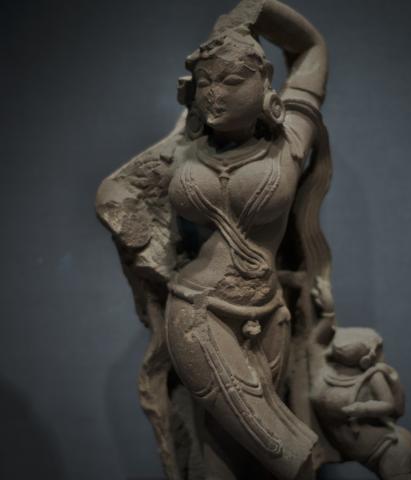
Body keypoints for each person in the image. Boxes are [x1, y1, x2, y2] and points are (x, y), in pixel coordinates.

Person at [97, 1, 334, 478]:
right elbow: (115, 192)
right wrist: (142, 241)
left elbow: (312, 49)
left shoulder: (291, 140)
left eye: (229, 80)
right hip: (197, 312)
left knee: (225, 455)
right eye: (204, 82)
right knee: (287, 452)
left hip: (269, 316)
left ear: (264, 84)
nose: (213, 94)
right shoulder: (184, 150)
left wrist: (257, 10)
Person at [311, 327, 411, 480]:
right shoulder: (326, 373)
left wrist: (363, 408)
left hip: (389, 448)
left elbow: (388, 405)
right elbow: (313, 345)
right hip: (387, 445)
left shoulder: (373, 376)